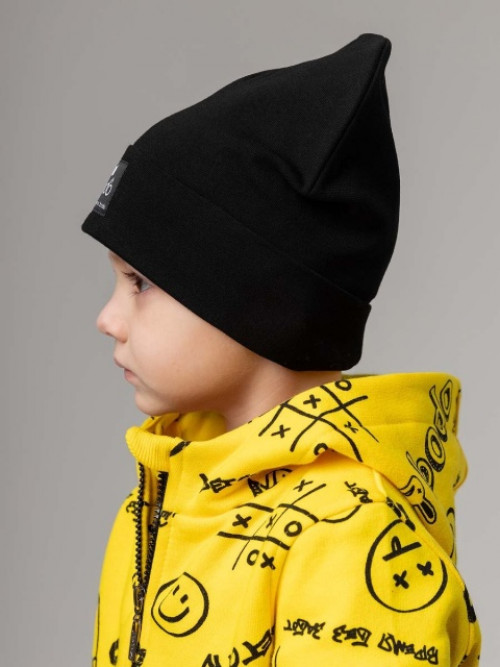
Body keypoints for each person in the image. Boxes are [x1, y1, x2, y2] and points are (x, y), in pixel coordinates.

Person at [81, 33, 481, 666]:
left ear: (257, 299)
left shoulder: (351, 532)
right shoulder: (158, 501)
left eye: (140, 283)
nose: (107, 319)